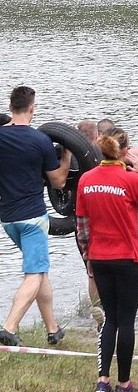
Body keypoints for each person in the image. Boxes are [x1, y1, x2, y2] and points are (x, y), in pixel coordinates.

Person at [76, 127, 138, 392]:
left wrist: (87, 259)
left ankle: (102, 381)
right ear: (125, 152)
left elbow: (82, 226)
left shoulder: (86, 180)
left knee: (109, 320)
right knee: (126, 321)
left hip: (99, 258)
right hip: (127, 257)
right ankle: (124, 384)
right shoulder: (131, 180)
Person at [0, 86, 71, 347]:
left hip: (8, 219)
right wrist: (68, 154)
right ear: (32, 108)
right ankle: (9, 327)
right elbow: (59, 182)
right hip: (33, 218)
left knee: (41, 271)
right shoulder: (39, 140)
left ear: (10, 107)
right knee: (35, 272)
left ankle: (53, 329)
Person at [75, 120, 105, 328]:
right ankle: (112, 308)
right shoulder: (103, 152)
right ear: (96, 134)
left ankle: (97, 311)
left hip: (81, 220)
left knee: (91, 269)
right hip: (104, 217)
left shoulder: (72, 157)